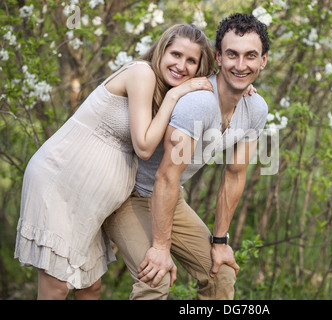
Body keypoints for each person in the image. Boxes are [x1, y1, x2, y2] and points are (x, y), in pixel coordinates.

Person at [14, 24, 217, 300]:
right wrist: (174, 95)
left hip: (92, 201)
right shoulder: (142, 73)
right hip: (60, 182)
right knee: (57, 286)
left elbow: (223, 83)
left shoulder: (165, 91)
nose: (181, 65)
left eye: (191, 61)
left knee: (90, 287)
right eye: (176, 54)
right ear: (161, 51)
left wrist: (242, 90)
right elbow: (144, 147)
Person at [103, 13, 270, 300]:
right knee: (155, 278)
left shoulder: (256, 109)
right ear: (218, 57)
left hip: (171, 198)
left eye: (250, 56)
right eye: (232, 55)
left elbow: (235, 174)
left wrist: (220, 242)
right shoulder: (198, 103)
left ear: (263, 60)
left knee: (222, 273)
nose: (240, 65)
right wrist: (160, 247)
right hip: (128, 195)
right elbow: (166, 176)